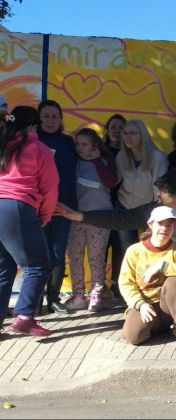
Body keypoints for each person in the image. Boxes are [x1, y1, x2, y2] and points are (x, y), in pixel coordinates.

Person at [0, 106, 59, 336]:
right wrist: (44, 216)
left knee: (4, 269)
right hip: (17, 208)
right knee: (38, 266)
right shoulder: (38, 147)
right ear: (34, 126)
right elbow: (50, 187)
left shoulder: (4, 144)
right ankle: (24, 317)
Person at [55, 168, 176, 249]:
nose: (158, 194)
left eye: (162, 191)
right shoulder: (154, 211)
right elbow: (120, 219)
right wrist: (77, 216)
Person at [119, 206, 176, 345]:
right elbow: (126, 283)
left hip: (169, 307)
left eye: (169, 225)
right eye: (160, 224)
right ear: (150, 224)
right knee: (133, 337)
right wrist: (140, 304)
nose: (165, 229)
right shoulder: (134, 250)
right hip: (146, 305)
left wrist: (163, 266)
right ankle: (156, 327)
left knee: (175, 279)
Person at [65, 128, 118, 312]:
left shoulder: (105, 161)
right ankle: (78, 295)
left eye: (84, 144)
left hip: (100, 218)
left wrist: (96, 161)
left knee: (96, 257)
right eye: (77, 144)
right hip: (75, 218)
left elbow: (111, 182)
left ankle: (96, 295)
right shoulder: (73, 163)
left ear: (94, 145)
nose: (80, 148)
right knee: (75, 256)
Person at [37, 99, 77, 314]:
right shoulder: (33, 140)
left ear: (61, 119)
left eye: (55, 116)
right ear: (38, 119)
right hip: (39, 208)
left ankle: (53, 298)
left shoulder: (68, 142)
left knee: (57, 253)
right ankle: (33, 302)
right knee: (38, 255)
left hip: (64, 207)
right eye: (46, 116)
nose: (51, 120)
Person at [114, 119, 169, 256]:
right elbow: (115, 181)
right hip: (124, 206)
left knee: (152, 248)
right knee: (128, 251)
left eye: (133, 133)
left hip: (148, 208)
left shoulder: (157, 158)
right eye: (125, 133)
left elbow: (159, 188)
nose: (128, 137)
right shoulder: (121, 156)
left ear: (143, 135)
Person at [102, 113, 127, 299]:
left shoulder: (131, 151)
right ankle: (98, 287)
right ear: (107, 131)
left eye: (121, 128)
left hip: (124, 206)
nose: (117, 131)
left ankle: (117, 287)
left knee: (120, 248)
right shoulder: (100, 151)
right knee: (100, 248)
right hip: (102, 205)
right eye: (113, 127)